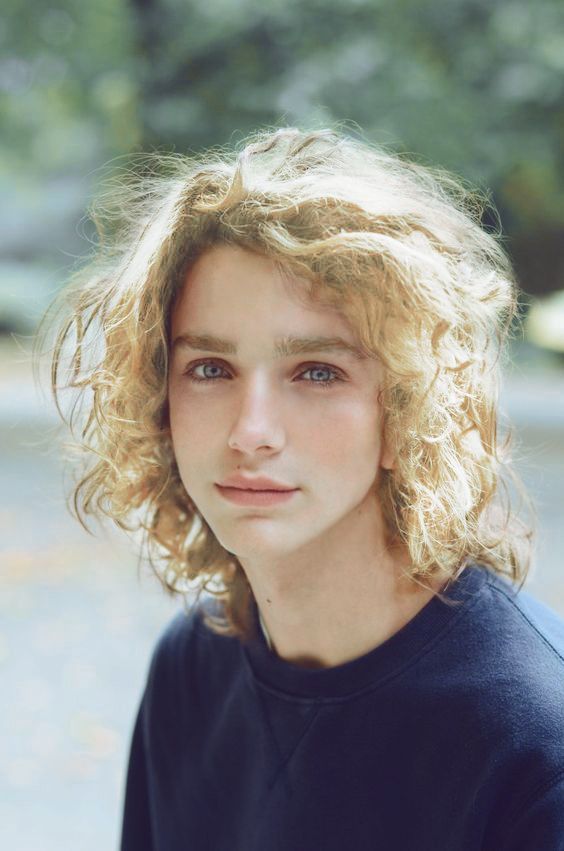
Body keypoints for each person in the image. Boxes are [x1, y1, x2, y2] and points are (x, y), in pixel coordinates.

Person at [40, 127, 564, 850]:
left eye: (317, 371)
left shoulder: (535, 741)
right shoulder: (192, 669)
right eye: (211, 368)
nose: (251, 430)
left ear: (406, 404)